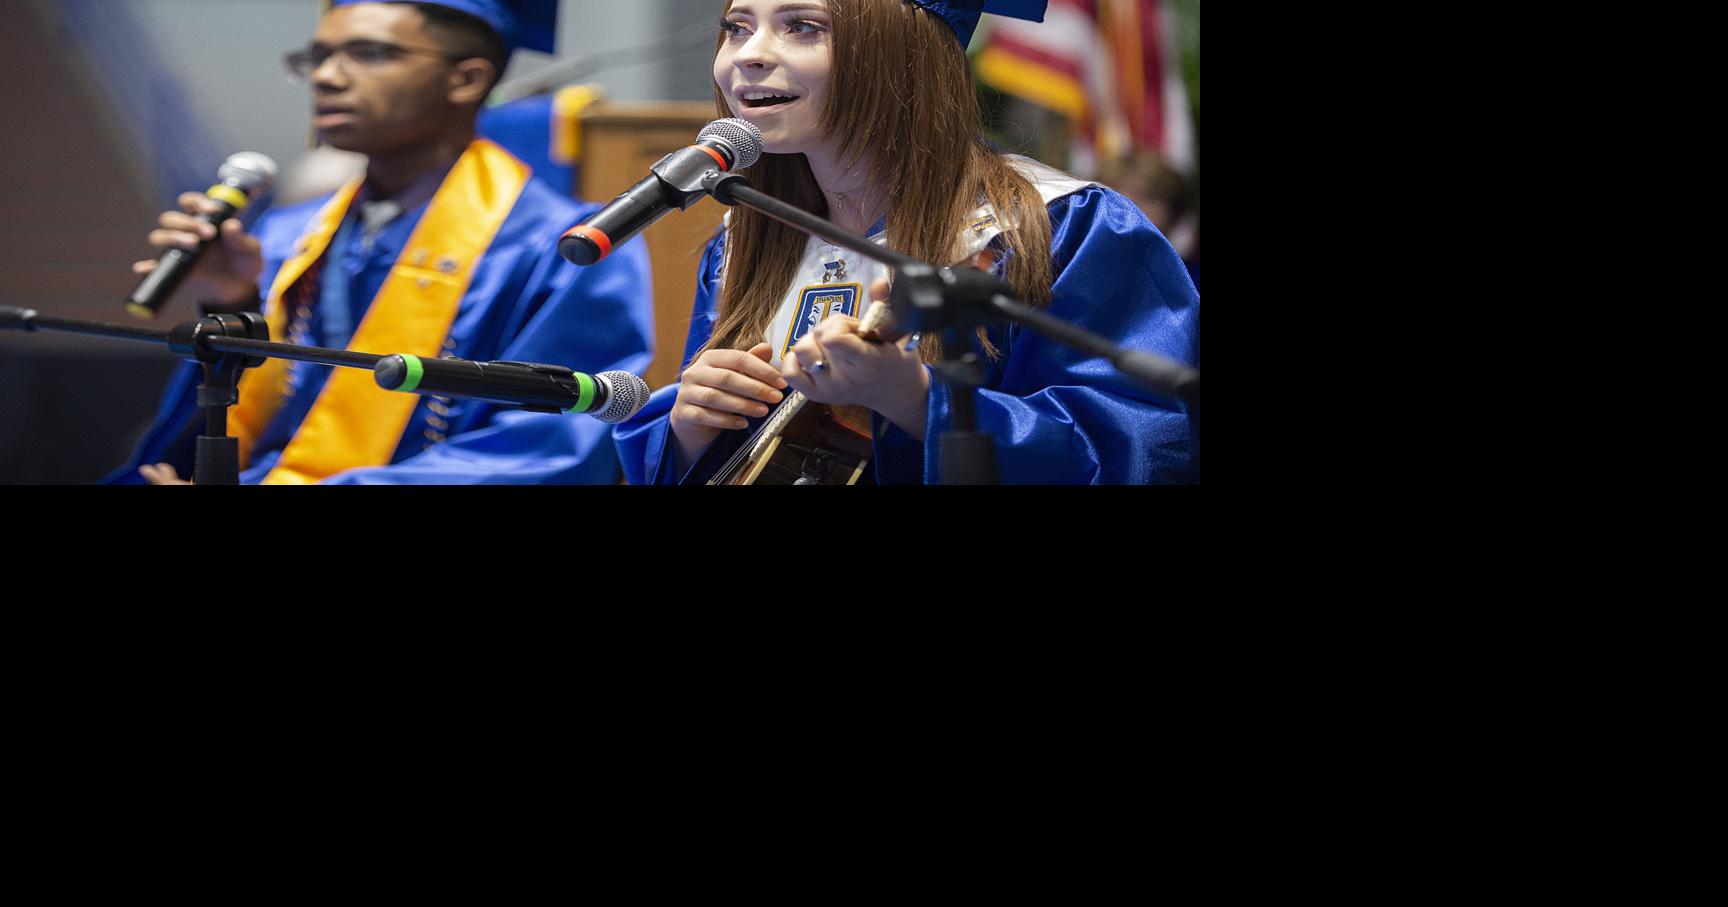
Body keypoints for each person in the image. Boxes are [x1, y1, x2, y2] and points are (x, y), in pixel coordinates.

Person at [613, 0, 1198, 485]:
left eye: (803, 27)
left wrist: (919, 401)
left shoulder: (1061, 227)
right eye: (737, 28)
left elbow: (1144, 451)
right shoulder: (748, 237)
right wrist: (688, 432)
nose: (748, 54)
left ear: (904, 54)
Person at [108, 0, 653, 485]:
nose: (326, 76)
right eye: (315, 57)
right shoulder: (286, 233)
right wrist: (234, 306)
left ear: (466, 79)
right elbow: (236, 428)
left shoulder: (571, 249)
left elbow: (552, 448)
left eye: (367, 54)